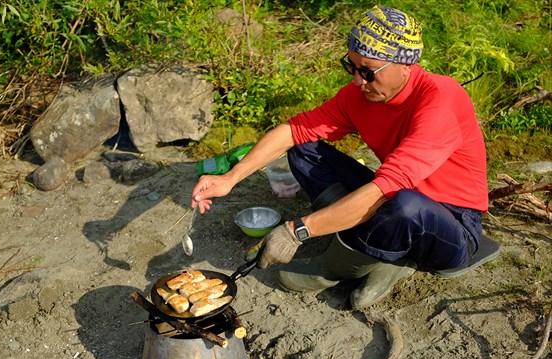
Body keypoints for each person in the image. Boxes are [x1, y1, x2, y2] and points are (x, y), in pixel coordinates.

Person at [191, 5, 488, 309]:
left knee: (405, 206)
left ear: (405, 66)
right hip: (396, 193)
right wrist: (230, 177)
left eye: (368, 72)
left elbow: (388, 187)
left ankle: (342, 265)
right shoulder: (362, 96)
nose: (359, 81)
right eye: (352, 67)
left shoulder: (440, 100)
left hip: (452, 223)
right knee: (304, 150)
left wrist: (297, 231)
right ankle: (373, 247)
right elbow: (295, 130)